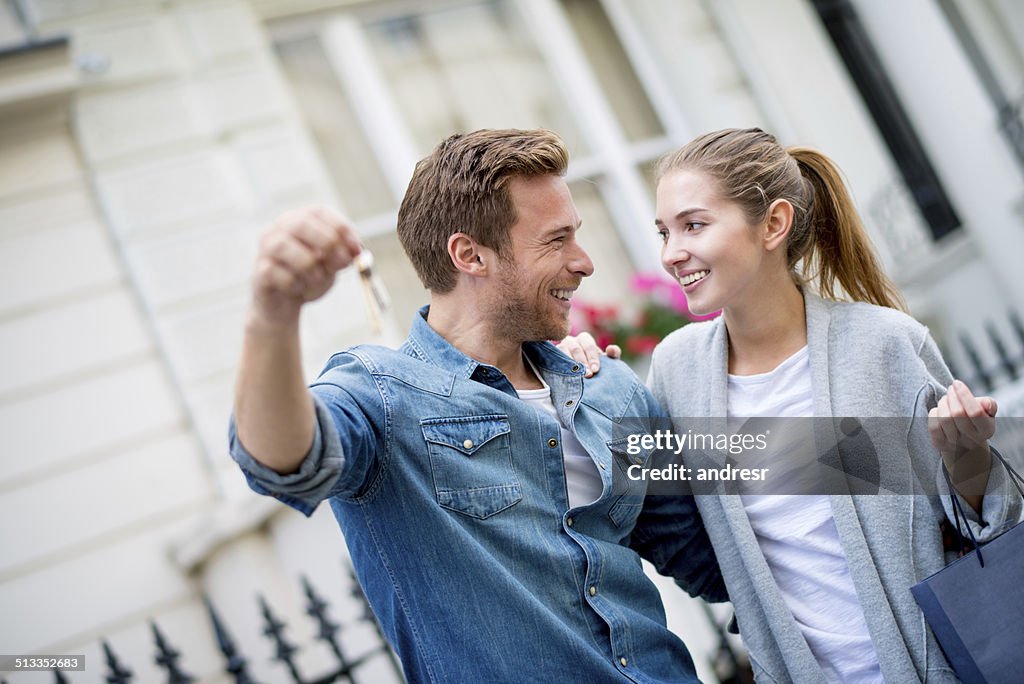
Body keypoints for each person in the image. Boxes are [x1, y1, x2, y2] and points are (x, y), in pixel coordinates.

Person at [229, 128, 726, 682]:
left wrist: (828, 429)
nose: (584, 262)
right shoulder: (382, 397)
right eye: (556, 240)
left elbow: (723, 554)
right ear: (470, 255)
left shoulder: (609, 387)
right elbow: (279, 461)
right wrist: (272, 315)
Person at [563, 127, 1022, 682]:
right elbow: (669, 528)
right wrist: (595, 389)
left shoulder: (885, 345)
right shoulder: (675, 371)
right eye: (664, 231)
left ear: (774, 224)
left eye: (694, 225)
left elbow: (988, 529)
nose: (671, 253)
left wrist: (965, 457)